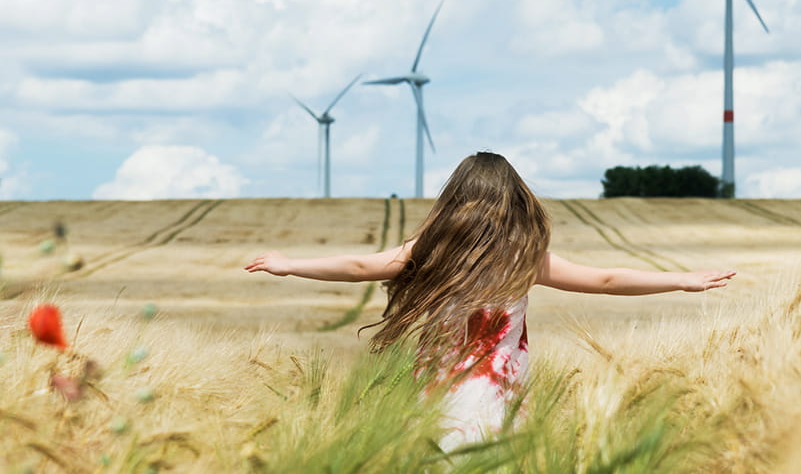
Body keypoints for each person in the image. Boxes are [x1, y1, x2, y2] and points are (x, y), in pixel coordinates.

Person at [245, 152, 735, 449]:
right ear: (513, 200)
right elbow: (605, 279)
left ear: (456, 198)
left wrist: (291, 264)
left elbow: (357, 268)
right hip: (501, 390)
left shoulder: (431, 249)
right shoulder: (524, 257)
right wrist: (679, 279)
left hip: (436, 387)